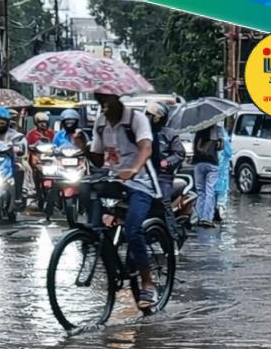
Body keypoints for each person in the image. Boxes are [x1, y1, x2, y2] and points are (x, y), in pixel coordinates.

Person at [84, 92, 160, 309]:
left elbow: (146, 147)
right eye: (100, 102)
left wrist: (134, 169)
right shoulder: (100, 124)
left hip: (141, 183)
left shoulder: (136, 119)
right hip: (114, 181)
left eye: (106, 101)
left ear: (117, 100)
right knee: (87, 197)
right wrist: (82, 147)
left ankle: (147, 283)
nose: (103, 107)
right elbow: (98, 159)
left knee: (133, 230)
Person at [145, 102, 186, 240]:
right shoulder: (142, 133)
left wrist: (167, 162)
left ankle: (172, 236)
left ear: (159, 117)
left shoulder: (169, 134)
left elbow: (179, 154)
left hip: (163, 177)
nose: (148, 118)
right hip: (143, 175)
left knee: (163, 200)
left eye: (151, 116)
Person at [193, 125, 221, 229]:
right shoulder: (215, 129)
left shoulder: (198, 129)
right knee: (210, 191)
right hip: (212, 163)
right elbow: (219, 147)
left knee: (200, 191)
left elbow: (196, 147)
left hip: (198, 162)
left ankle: (198, 217)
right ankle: (207, 218)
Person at [215, 122, 233, 221]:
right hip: (222, 171)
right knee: (222, 193)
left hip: (213, 169)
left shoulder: (210, 137)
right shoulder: (224, 138)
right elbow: (229, 152)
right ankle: (220, 208)